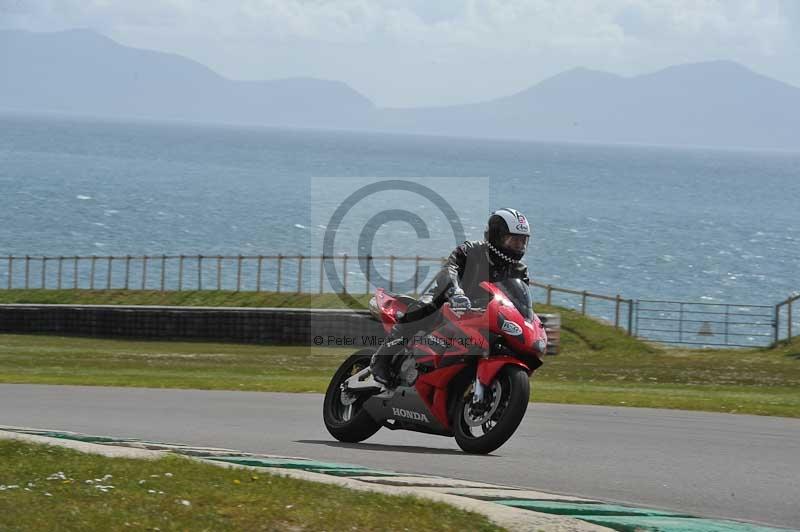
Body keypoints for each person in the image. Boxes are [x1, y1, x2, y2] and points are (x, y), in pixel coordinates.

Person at [370, 208, 532, 385]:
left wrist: (528, 319)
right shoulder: (471, 250)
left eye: (522, 241)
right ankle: (382, 359)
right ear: (496, 236)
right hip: (450, 299)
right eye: (514, 240)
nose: (519, 246)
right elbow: (449, 269)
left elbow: (519, 299)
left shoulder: (519, 270)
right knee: (424, 308)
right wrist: (455, 292)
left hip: (484, 314)